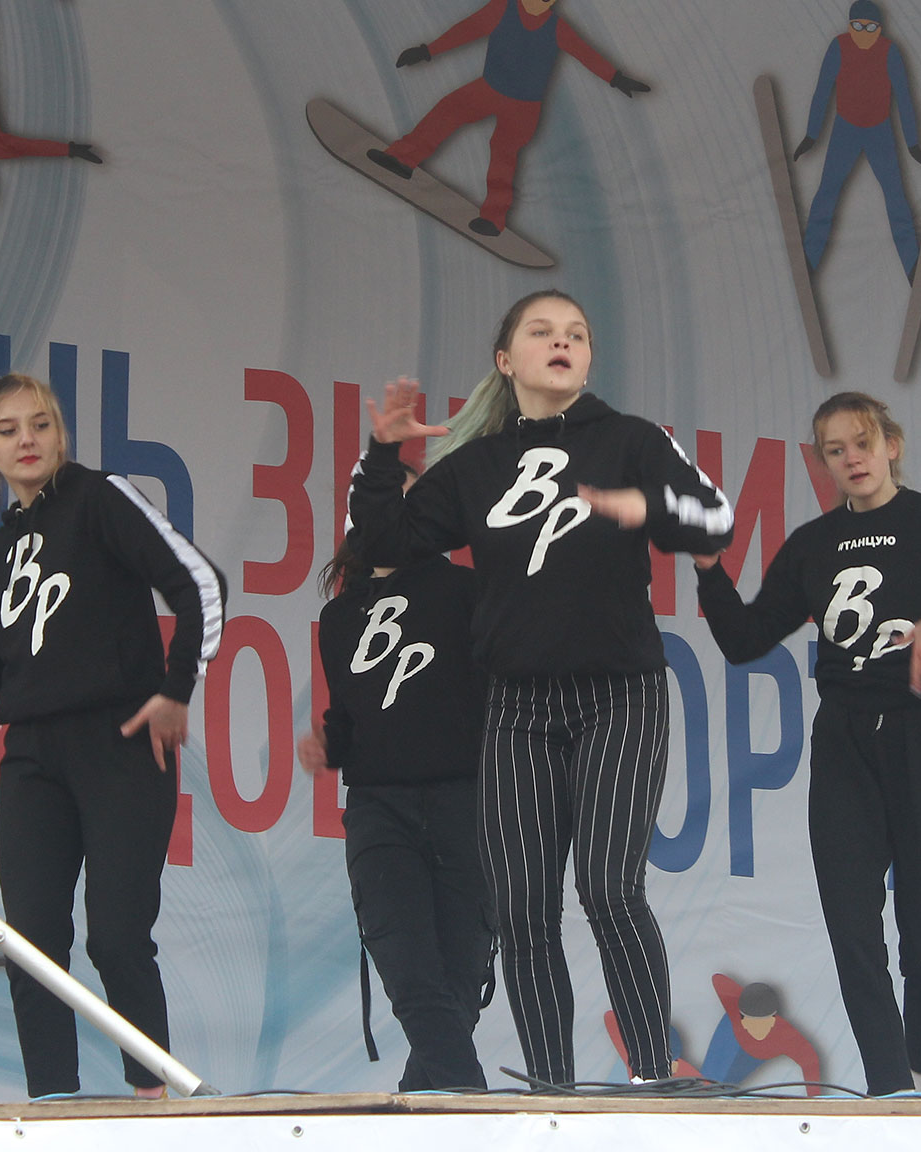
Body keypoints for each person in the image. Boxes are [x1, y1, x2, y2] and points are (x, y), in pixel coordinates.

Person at [349, 289, 734, 1086]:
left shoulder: (631, 439)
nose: (563, 343)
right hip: (517, 708)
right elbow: (383, 540)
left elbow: (714, 519)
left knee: (609, 886)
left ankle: (653, 1075)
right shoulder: (477, 467)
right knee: (523, 909)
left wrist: (647, 504)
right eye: (542, 332)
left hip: (619, 695)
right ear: (506, 359)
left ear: (588, 359)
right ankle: (553, 1091)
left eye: (577, 335)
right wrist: (382, 456)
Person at [693, 391, 921, 1096]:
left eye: (862, 442)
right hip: (844, 739)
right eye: (835, 450)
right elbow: (744, 639)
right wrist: (710, 571)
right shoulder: (813, 543)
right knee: (852, 926)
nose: (852, 459)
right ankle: (891, 1088)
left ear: (891, 444)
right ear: (823, 463)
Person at [0, 373, 226, 1099]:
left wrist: (177, 687)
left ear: (60, 435)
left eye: (42, 424)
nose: (27, 439)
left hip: (120, 742)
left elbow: (200, 583)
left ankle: (151, 1098)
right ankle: (51, 1106)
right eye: (8, 430)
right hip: (31, 758)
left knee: (116, 936)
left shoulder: (99, 497)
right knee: (31, 944)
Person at [296, 470, 494, 1091]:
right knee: (411, 978)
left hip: (466, 802)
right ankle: (472, 1109)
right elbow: (349, 717)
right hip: (380, 809)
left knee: (459, 984)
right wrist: (328, 745)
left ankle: (426, 1106)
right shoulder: (339, 618)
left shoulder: (466, 591)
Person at [370, 0, 651, 237]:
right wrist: (428, 50)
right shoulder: (503, 7)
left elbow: (585, 53)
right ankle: (402, 159)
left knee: (503, 152)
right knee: (448, 110)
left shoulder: (557, 28)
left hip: (524, 107)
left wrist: (616, 78)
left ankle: (493, 219)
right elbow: (469, 29)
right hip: (489, 89)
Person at [796, 0, 921, 280]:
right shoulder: (839, 47)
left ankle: (913, 266)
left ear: (879, 29)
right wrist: (811, 135)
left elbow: (904, 97)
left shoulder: (890, 52)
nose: (863, 33)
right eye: (857, 26)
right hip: (845, 130)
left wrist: (913, 143)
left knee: (895, 195)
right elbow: (822, 91)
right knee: (827, 191)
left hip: (880, 131)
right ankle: (808, 259)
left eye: (869, 28)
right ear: (849, 26)